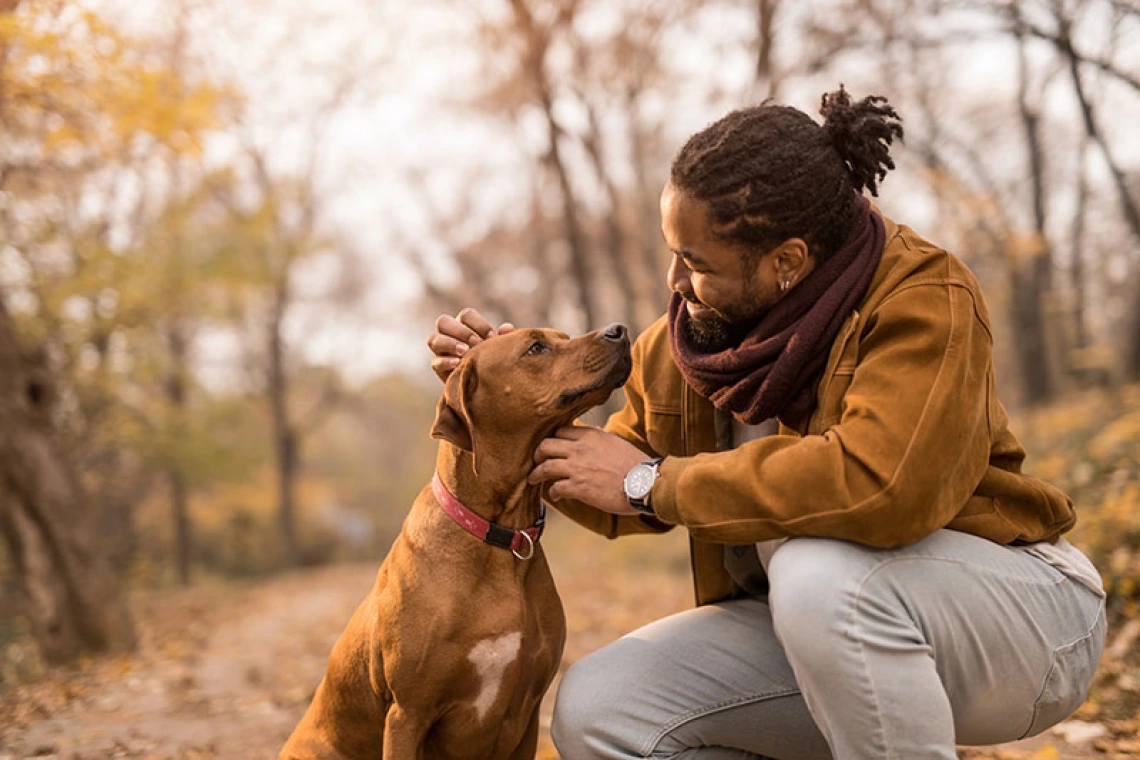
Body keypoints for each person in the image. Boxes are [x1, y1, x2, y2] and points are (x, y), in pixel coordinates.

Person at [426, 87, 1106, 760]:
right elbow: (613, 475)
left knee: (816, 567)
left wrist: (650, 482)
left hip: (1024, 625)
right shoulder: (690, 344)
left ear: (787, 263)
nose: (676, 282)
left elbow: (879, 485)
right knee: (601, 709)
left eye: (695, 263)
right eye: (674, 253)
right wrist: (504, 395)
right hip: (815, 630)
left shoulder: (925, 299)